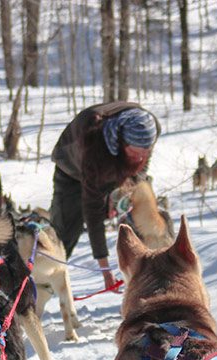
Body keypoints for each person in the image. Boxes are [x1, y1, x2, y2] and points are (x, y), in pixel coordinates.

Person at [49, 103, 160, 290]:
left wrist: (122, 191)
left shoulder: (150, 126)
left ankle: (148, 278)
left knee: (139, 205)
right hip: (72, 169)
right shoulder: (92, 145)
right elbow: (92, 212)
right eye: (134, 153)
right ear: (122, 143)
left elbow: (142, 167)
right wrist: (105, 269)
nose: (140, 158)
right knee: (66, 231)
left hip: (113, 164)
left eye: (145, 153)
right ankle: (40, 287)